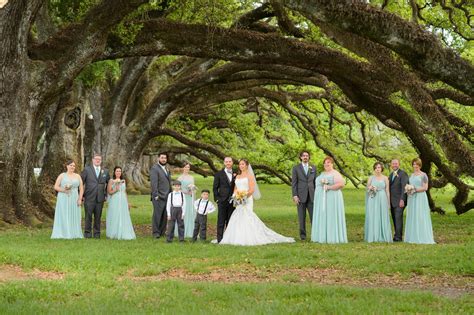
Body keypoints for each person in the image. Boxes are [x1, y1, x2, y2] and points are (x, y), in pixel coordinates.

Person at [220, 159, 295, 246]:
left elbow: (252, 190)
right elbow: (236, 188)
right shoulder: (237, 176)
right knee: (238, 215)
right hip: (238, 200)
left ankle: (250, 237)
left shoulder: (250, 176)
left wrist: (243, 198)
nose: (241, 166)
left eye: (243, 164)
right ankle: (237, 237)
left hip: (247, 199)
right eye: (240, 164)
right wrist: (235, 196)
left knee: (247, 215)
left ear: (247, 165)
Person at [311, 156, 347, 243]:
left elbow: (341, 184)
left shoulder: (335, 173)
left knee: (331, 215)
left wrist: (329, 187)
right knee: (323, 216)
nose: (326, 164)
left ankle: (332, 236)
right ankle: (322, 236)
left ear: (332, 164)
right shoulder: (322, 174)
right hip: (321, 199)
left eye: (328, 162)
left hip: (332, 198)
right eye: (325, 163)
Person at [404, 158, 435, 244]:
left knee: (420, 215)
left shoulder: (423, 175)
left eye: (416, 164)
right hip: (412, 197)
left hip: (420, 197)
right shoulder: (411, 175)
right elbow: (410, 185)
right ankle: (412, 236)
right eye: (414, 164)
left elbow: (425, 188)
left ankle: (422, 236)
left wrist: (414, 189)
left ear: (420, 165)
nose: (415, 166)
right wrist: (409, 189)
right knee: (413, 215)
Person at [51, 160, 84, 239]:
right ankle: (63, 232)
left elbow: (81, 188)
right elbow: (56, 186)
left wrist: (80, 199)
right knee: (64, 214)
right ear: (67, 166)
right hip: (63, 198)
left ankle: (74, 233)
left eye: (74, 166)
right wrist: (64, 190)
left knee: (74, 214)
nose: (72, 167)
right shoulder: (62, 175)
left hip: (74, 197)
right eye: (71, 165)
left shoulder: (77, 176)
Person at [81, 154, 110, 238]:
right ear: (93, 160)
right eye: (96, 159)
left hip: (100, 198)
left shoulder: (105, 171)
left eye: (99, 159)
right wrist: (82, 195)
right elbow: (81, 182)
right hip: (89, 197)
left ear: (101, 161)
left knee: (98, 217)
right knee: (88, 216)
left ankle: (97, 233)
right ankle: (87, 233)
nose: (98, 160)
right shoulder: (87, 169)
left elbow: (109, 183)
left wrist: (106, 194)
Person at [291, 150, 317, 240]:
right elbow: (294, 183)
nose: (305, 157)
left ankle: (315, 235)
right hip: (300, 196)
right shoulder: (296, 168)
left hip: (312, 196)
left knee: (313, 217)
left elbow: (315, 182)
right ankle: (303, 236)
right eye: (303, 156)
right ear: (301, 157)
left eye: (307, 156)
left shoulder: (313, 168)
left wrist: (317, 195)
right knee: (301, 217)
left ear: (309, 157)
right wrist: (295, 195)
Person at [364, 162, 392, 243]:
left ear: (381, 169)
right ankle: (373, 235)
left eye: (379, 167)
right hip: (373, 198)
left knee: (382, 215)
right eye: (376, 168)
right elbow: (367, 189)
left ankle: (383, 235)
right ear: (374, 169)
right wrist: (371, 188)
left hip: (382, 197)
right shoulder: (371, 178)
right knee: (373, 215)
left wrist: (388, 202)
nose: (377, 169)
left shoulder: (385, 178)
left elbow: (387, 191)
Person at [106, 166, 136, 240]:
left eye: (119, 171)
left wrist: (127, 202)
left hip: (122, 200)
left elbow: (124, 192)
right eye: (117, 171)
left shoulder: (123, 181)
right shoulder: (111, 180)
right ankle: (114, 232)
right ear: (114, 172)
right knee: (115, 214)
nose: (118, 172)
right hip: (115, 200)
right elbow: (109, 192)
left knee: (123, 215)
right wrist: (115, 190)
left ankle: (123, 231)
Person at [213, 157, 236, 243]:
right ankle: (220, 239)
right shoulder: (219, 174)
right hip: (222, 200)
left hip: (233, 201)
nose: (228, 163)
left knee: (230, 220)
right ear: (224, 163)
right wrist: (217, 199)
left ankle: (229, 239)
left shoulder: (236, 173)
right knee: (221, 221)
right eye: (226, 162)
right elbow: (215, 188)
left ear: (232, 163)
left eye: (230, 161)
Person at [150, 152, 172, 239]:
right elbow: (154, 183)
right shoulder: (154, 169)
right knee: (157, 215)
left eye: (165, 158)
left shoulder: (166, 169)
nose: (164, 159)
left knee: (164, 215)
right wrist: (156, 195)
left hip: (167, 196)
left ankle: (162, 231)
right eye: (162, 158)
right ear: (158, 158)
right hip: (158, 196)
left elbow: (168, 182)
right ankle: (156, 232)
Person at [389, 159, 409, 242]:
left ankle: (398, 237)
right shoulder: (391, 175)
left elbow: (404, 187)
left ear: (399, 164)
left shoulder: (403, 174)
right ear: (391, 165)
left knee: (398, 218)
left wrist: (402, 199)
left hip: (399, 200)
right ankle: (396, 234)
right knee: (394, 218)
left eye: (396, 163)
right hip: (392, 201)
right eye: (393, 164)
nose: (394, 165)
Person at [176, 162, 196, 238]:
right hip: (183, 197)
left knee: (190, 213)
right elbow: (178, 189)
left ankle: (190, 231)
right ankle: (181, 231)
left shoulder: (192, 177)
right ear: (182, 168)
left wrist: (192, 191)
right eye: (185, 167)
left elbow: (193, 188)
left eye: (188, 167)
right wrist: (185, 192)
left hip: (190, 198)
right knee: (183, 213)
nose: (187, 168)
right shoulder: (180, 178)